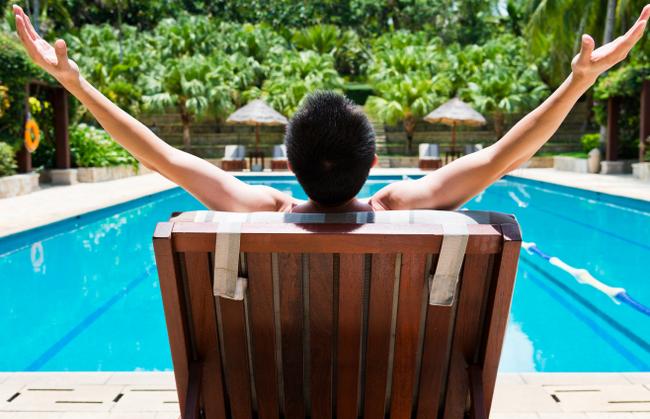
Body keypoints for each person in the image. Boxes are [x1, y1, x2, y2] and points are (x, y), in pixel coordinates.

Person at [12, 5, 650, 214]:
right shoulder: (400, 208)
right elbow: (503, 155)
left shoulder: (263, 211)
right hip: (403, 406)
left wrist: (72, 82)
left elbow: (161, 155)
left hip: (271, 407)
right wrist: (577, 81)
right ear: (373, 163)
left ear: (288, 167)